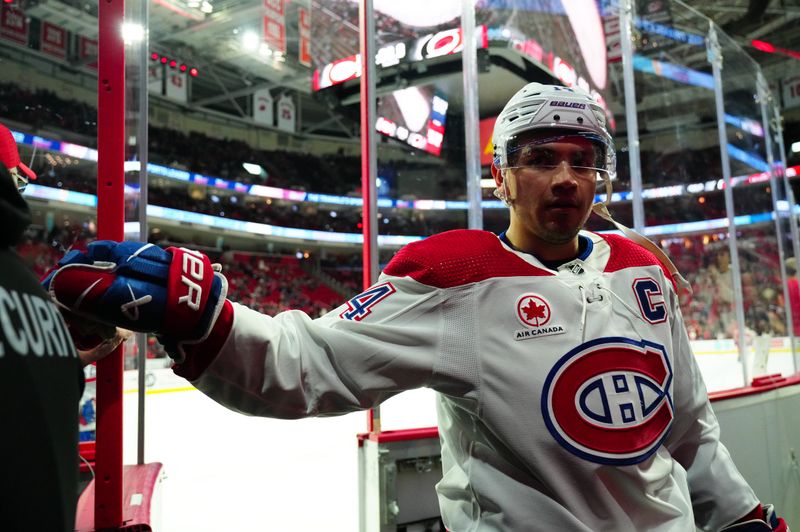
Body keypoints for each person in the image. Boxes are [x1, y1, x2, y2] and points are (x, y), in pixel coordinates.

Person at [43, 84, 787, 531]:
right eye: (540, 158)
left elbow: (688, 428)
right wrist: (203, 318)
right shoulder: (454, 273)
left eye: (582, 160)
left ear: (601, 176)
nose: (565, 178)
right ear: (502, 176)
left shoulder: (643, 270)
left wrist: (740, 514)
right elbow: (310, 364)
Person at [0, 123, 128, 531]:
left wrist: (72, 358)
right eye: (17, 179)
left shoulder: (21, 283)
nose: (21, 191)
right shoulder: (25, 287)